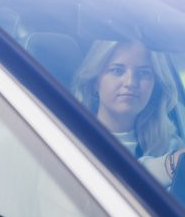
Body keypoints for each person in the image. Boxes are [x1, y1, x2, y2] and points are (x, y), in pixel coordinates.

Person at [73, 39, 185, 188]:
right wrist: (167, 167)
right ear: (95, 81)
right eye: (117, 70)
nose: (131, 82)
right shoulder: (71, 138)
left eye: (143, 73)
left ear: (154, 86)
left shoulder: (170, 144)